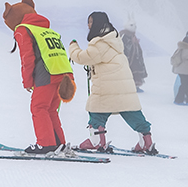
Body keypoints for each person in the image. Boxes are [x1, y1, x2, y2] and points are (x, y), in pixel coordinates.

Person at [67, 12, 159, 154]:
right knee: (131, 111)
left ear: (98, 23)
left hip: (107, 85)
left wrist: (73, 46)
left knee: (96, 110)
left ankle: (97, 141)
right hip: (123, 84)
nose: (88, 25)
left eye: (91, 22)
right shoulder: (113, 39)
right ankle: (146, 141)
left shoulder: (100, 43)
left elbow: (82, 57)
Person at [2, 0, 76, 154]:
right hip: (63, 74)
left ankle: (45, 144)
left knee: (39, 107)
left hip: (46, 75)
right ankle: (58, 143)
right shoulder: (48, 31)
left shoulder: (23, 30)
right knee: (50, 110)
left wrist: (27, 81)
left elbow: (27, 57)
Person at [120, 17, 148, 93]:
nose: (134, 27)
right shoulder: (124, 36)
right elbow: (125, 48)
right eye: (131, 25)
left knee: (136, 72)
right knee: (130, 72)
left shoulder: (132, 36)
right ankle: (129, 87)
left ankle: (135, 86)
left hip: (135, 58)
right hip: (129, 59)